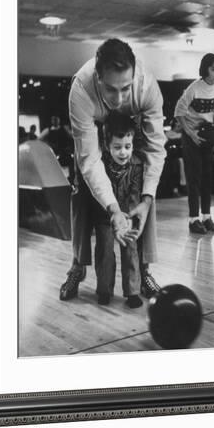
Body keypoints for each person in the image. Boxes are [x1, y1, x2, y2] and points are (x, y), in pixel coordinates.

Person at [59, 38, 166, 301]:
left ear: (134, 76)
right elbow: (90, 161)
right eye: (110, 90)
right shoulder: (81, 90)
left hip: (128, 137)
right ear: (98, 77)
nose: (118, 99)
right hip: (96, 141)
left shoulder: (148, 87)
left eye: (125, 89)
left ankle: (144, 271)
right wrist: (114, 210)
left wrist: (147, 198)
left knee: (145, 193)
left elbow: (155, 148)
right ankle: (77, 266)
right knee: (82, 191)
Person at [93, 112, 144, 308]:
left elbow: (135, 193)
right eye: (117, 147)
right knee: (105, 250)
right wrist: (112, 215)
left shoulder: (136, 165)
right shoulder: (101, 165)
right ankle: (104, 290)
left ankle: (132, 292)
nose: (123, 152)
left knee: (130, 248)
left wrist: (128, 217)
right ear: (107, 146)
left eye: (127, 147)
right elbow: (98, 191)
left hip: (127, 216)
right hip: (105, 216)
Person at [174, 53, 214, 235]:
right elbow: (178, 112)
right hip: (190, 136)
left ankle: (206, 217)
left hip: (206, 134)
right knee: (193, 178)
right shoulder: (193, 89)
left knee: (207, 179)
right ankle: (193, 220)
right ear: (205, 69)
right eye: (213, 69)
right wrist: (190, 134)